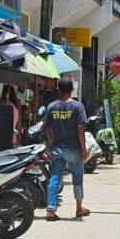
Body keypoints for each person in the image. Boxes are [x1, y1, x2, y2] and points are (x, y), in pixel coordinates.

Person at [43, 78, 89, 220]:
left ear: (59, 89)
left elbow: (46, 127)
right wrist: (83, 148)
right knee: (77, 179)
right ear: (71, 90)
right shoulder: (77, 106)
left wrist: (51, 142)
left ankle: (51, 209)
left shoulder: (52, 106)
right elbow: (80, 127)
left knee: (55, 178)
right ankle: (78, 209)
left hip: (57, 148)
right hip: (74, 148)